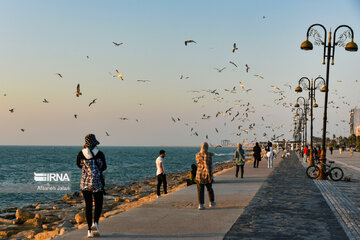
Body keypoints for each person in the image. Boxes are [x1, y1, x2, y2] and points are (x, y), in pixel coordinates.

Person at [77, 134, 106, 238]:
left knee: (88, 206)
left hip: (85, 183)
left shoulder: (81, 154)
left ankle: (89, 230)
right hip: (97, 183)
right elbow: (104, 167)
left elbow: (78, 165)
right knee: (98, 204)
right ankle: (96, 224)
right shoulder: (100, 154)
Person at [195, 142, 215, 210]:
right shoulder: (208, 155)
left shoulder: (197, 154)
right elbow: (207, 166)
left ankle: (201, 205)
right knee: (209, 189)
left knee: (200, 190)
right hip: (206, 175)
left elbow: (198, 163)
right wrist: (210, 176)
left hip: (199, 175)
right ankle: (211, 203)